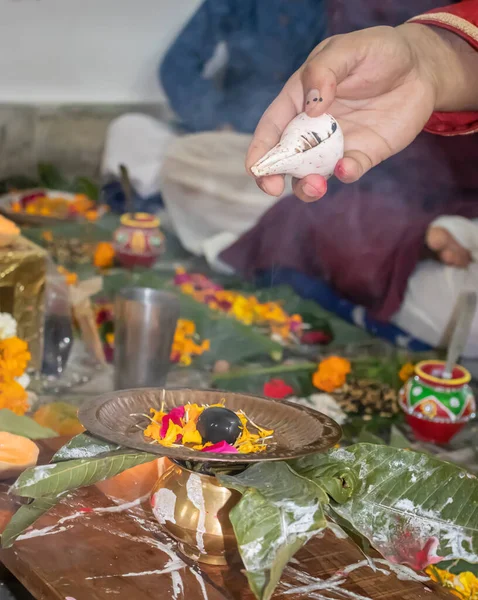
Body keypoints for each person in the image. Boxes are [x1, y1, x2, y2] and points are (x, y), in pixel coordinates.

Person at [220, 1, 478, 355]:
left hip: (453, 211)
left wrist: (432, 230)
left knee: (467, 315)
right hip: (365, 176)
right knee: (182, 155)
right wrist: (425, 58)